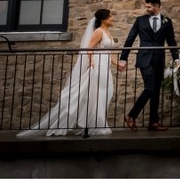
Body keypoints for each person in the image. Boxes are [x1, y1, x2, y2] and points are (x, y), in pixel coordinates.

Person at [18, 9, 117, 137]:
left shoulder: (107, 32)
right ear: (103, 19)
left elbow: (108, 52)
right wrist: (92, 61)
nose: (112, 18)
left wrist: (117, 63)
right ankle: (96, 125)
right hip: (98, 66)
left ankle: (96, 124)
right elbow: (89, 48)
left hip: (105, 67)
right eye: (110, 16)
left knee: (105, 94)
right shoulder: (98, 32)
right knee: (97, 95)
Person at [118, 0, 179, 131]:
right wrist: (123, 58)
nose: (146, 9)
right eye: (146, 6)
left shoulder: (167, 21)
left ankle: (153, 122)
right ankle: (131, 115)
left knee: (156, 91)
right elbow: (130, 39)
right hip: (144, 59)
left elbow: (171, 41)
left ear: (157, 6)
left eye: (149, 6)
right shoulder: (140, 20)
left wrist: (176, 58)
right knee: (150, 88)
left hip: (159, 60)